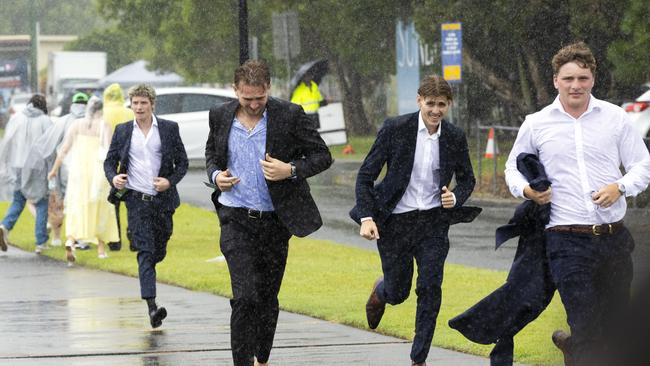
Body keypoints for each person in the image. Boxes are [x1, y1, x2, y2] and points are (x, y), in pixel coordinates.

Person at [504, 41, 650, 365]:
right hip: (566, 240)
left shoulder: (615, 118)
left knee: (616, 331)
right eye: (568, 78)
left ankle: (576, 350)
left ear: (592, 79)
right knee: (586, 328)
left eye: (582, 78)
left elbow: (643, 164)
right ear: (555, 79)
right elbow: (512, 167)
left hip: (614, 239)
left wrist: (620, 186)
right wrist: (527, 191)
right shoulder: (537, 123)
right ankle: (580, 347)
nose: (576, 85)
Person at [205, 59, 332, 366]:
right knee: (245, 296)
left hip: (276, 221)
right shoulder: (220, 115)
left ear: (268, 89)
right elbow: (212, 153)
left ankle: (262, 355)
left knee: (266, 297)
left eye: (259, 98)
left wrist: (290, 170)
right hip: (235, 218)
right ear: (235, 90)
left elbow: (322, 156)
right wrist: (215, 176)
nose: (253, 105)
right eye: (246, 98)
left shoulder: (289, 115)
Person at [350, 75, 480, 366]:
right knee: (399, 292)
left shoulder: (455, 137)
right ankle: (381, 291)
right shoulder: (396, 128)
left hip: (433, 223)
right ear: (419, 100)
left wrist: (456, 197)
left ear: (449, 105)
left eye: (442, 105)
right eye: (430, 103)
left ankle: (418, 358)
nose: (436, 110)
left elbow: (468, 178)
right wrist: (367, 217)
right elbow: (366, 176)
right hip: (395, 222)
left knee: (430, 286)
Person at [104, 84, 188, 328]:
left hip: (162, 201)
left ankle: (151, 267)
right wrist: (114, 178)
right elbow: (109, 162)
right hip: (136, 200)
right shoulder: (123, 131)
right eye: (135, 103)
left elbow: (182, 163)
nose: (138, 107)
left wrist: (169, 181)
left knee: (158, 249)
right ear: (130, 104)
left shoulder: (169, 129)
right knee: (145, 251)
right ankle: (152, 307)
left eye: (143, 103)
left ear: (152, 104)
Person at [48, 97, 118, 263]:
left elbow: (64, 150)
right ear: (101, 110)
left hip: (78, 173)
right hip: (97, 172)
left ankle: (71, 241)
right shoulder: (104, 126)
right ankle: (101, 249)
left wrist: (53, 170)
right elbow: (109, 151)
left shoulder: (76, 125)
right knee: (101, 206)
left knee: (77, 205)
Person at [0, 94, 52, 253]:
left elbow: (7, 140)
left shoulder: (17, 118)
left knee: (18, 199)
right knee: (41, 202)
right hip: (37, 167)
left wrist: (5, 163)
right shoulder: (45, 121)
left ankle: (5, 226)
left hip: (18, 165)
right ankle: (41, 241)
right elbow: (50, 144)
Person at [103, 83, 135, 252]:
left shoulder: (103, 113)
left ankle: (115, 241)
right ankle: (134, 238)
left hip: (111, 163)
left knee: (112, 202)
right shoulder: (129, 112)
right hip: (130, 161)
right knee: (132, 202)